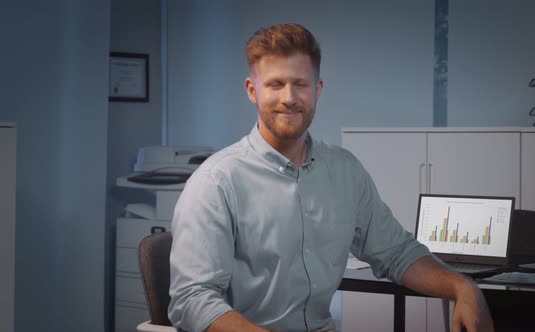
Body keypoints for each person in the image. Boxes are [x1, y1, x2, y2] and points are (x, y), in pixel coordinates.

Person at [168, 23, 494, 332]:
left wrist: (463, 288)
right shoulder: (216, 181)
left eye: (300, 84)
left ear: (317, 89)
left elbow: (396, 252)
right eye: (275, 84)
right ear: (252, 90)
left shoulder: (344, 171)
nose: (289, 98)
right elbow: (192, 300)